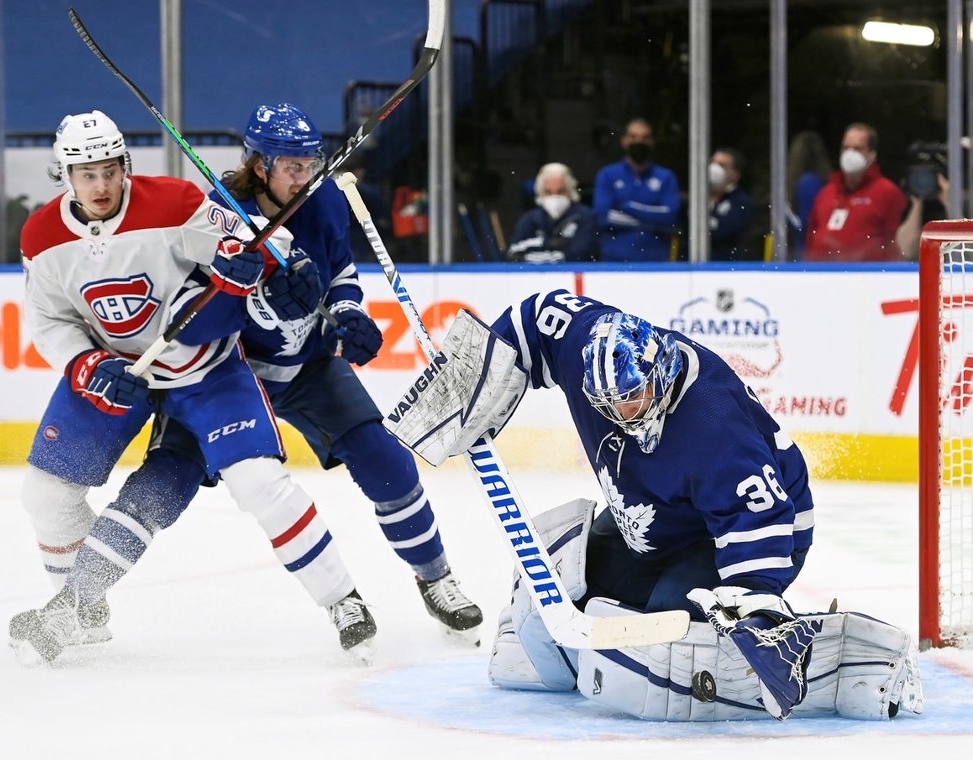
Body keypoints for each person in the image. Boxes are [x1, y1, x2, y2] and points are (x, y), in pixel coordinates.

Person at [11, 104, 483, 663]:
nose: (303, 174)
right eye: (290, 164)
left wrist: (347, 313)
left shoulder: (319, 200)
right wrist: (244, 291)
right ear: (260, 166)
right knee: (151, 490)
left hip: (291, 368)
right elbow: (202, 315)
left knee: (382, 461)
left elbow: (335, 273)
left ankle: (429, 580)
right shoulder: (212, 209)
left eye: (310, 162)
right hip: (219, 369)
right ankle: (76, 604)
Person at [383, 289, 923, 722]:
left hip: (742, 534)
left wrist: (752, 610)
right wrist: (471, 377)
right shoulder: (587, 346)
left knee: (672, 635)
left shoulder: (714, 427)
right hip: (657, 518)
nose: (625, 414)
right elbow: (534, 318)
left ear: (659, 371)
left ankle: (830, 664)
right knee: (557, 581)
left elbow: (762, 520)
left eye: (635, 399)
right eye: (610, 406)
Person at [804, 122, 907, 262]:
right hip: (822, 275)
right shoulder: (826, 193)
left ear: (872, 154)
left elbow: (897, 243)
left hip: (867, 277)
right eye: (845, 148)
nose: (850, 154)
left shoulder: (887, 192)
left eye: (858, 148)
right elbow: (811, 237)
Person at [895, 137, 973, 261]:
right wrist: (918, 202)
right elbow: (906, 251)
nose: (967, 168)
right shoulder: (929, 195)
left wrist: (950, 204)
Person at [593, 118, 681, 262]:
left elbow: (670, 217)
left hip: (657, 259)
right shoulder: (608, 175)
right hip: (614, 259)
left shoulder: (666, 177)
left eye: (645, 138)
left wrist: (628, 207)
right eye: (633, 137)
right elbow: (602, 217)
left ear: (652, 142)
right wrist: (650, 222)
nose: (639, 142)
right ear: (624, 141)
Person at [505, 162, 598, 263]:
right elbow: (513, 253)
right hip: (534, 277)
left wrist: (533, 255)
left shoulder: (585, 216)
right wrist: (549, 243)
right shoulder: (530, 219)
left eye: (560, 191)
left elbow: (578, 254)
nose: (555, 197)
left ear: (570, 191)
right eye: (548, 192)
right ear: (540, 193)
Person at [786, 131, 832, 259]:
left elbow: (806, 225)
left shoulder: (808, 182)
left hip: (806, 254)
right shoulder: (822, 181)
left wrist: (784, 212)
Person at [708, 146, 754, 261]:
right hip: (694, 267)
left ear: (735, 175)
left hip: (729, 269)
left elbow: (723, 233)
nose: (714, 168)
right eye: (713, 162)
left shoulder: (742, 202)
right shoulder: (697, 199)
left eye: (722, 165)